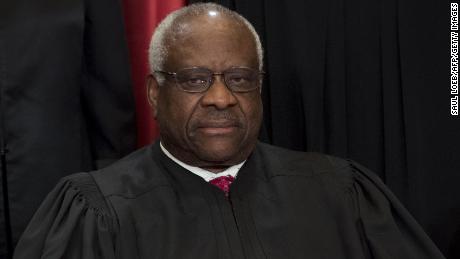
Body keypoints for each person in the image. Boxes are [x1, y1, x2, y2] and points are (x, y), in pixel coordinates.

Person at [13, 3, 445, 259]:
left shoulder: (342, 195)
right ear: (154, 93)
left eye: (240, 78)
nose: (221, 98)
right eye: (195, 79)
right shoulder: (95, 214)